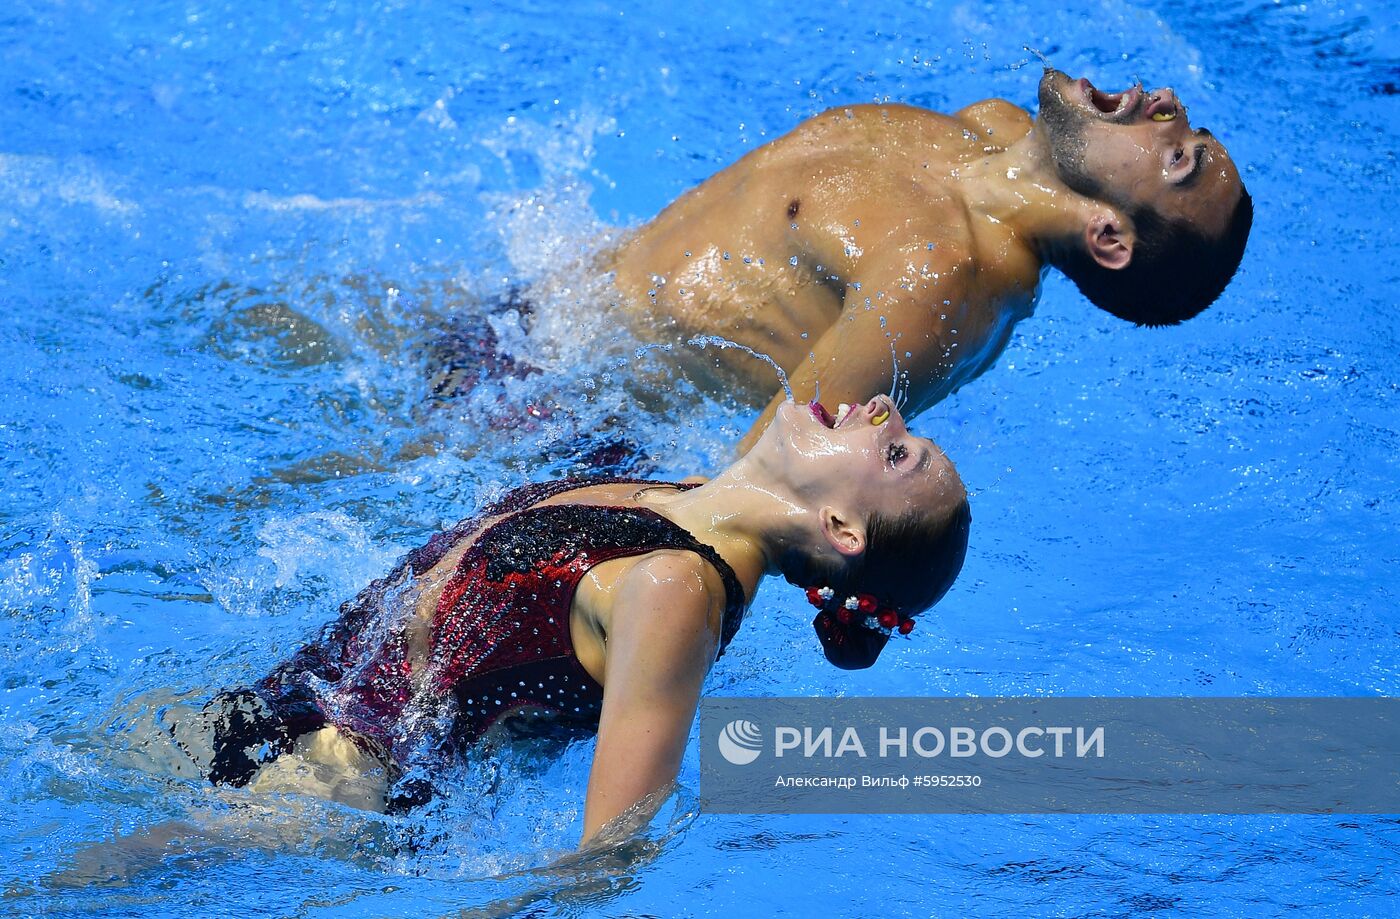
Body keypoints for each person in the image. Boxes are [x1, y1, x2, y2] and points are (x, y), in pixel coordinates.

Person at [180, 394, 971, 846]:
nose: (884, 410)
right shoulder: (685, 496)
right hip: (299, 693)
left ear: (840, 529)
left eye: (897, 453)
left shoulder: (678, 588)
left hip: (331, 777)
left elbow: (609, 850)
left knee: (86, 876)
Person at [606, 66, 1254, 453]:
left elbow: (757, 478)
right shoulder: (992, 129)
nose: (1169, 101)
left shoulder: (942, 282)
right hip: (566, 288)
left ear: (1109, 236)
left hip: (568, 406)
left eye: (1177, 157)